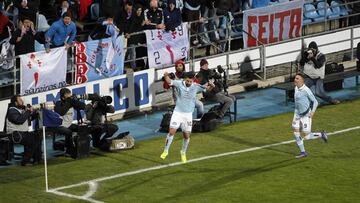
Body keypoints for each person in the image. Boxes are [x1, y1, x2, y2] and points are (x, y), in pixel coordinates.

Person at [160, 71, 214, 163]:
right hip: (177, 112)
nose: (189, 83)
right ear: (185, 79)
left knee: (186, 136)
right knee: (172, 131)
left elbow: (207, 89)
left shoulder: (196, 86)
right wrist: (165, 75)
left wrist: (212, 86)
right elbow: (169, 81)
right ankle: (166, 151)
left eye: (190, 81)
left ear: (192, 80)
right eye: (187, 81)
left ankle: (183, 152)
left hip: (188, 115)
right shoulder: (179, 83)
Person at [292, 73, 328, 158]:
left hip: (306, 115)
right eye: (295, 78)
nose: (295, 80)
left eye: (297, 78)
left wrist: (312, 112)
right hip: (297, 114)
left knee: (306, 136)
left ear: (302, 81)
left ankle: (321, 134)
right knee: (296, 133)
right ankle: (303, 152)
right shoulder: (296, 88)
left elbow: (315, 102)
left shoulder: (306, 90)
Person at [5, 95, 42, 166]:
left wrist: (35, 113)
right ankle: (25, 161)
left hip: (22, 133)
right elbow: (19, 120)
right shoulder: (12, 110)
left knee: (37, 137)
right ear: (15, 103)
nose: (22, 101)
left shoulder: (21, 110)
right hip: (15, 134)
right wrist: (28, 111)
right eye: (20, 100)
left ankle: (37, 159)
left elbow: (28, 119)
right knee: (33, 140)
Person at [52, 87, 85, 155]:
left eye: (70, 96)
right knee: (69, 132)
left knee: (83, 129)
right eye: (68, 97)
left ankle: (82, 147)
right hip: (60, 125)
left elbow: (83, 106)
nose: (69, 98)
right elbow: (61, 112)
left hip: (69, 124)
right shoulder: (58, 103)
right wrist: (69, 102)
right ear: (63, 97)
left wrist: (75, 101)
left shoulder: (71, 102)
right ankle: (69, 150)